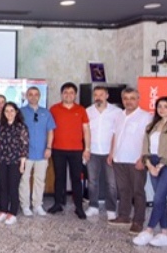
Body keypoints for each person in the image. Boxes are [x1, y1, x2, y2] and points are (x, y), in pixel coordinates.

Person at [132, 96, 167, 247]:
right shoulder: (151, 126)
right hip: (152, 162)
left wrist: (160, 166)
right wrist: (149, 165)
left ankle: (148, 230)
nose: (162, 109)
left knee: (158, 198)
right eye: (159, 106)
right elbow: (145, 147)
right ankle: (165, 233)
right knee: (160, 199)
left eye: (166, 106)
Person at [108, 87, 152, 234]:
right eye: (126, 98)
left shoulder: (146, 117)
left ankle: (138, 221)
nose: (129, 101)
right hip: (119, 158)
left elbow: (148, 140)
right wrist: (111, 153)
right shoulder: (119, 116)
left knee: (138, 191)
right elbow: (115, 135)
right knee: (123, 190)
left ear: (138, 99)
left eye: (132, 98)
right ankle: (124, 216)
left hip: (136, 160)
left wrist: (143, 158)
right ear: (122, 100)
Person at [48, 82, 90, 219]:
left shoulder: (81, 109)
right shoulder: (54, 109)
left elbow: (86, 130)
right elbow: (49, 129)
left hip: (76, 150)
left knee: (76, 179)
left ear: (75, 95)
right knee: (59, 178)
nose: (68, 95)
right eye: (65, 92)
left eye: (71, 92)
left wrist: (87, 148)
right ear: (61, 94)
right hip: (58, 149)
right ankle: (57, 204)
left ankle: (79, 207)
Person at [85, 86, 120, 219]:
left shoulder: (116, 112)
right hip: (92, 151)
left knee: (111, 183)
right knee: (92, 181)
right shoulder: (88, 111)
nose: (98, 97)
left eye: (101, 94)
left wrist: (112, 152)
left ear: (107, 96)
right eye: (96, 95)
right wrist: (86, 149)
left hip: (109, 152)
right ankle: (93, 206)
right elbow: (85, 132)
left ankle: (111, 209)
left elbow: (117, 133)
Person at [19, 86, 55, 216]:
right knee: (24, 179)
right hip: (25, 153)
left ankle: (37, 205)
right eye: (30, 94)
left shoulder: (46, 112)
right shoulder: (20, 112)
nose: (33, 97)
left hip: (42, 152)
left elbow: (50, 131)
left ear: (39, 96)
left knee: (40, 179)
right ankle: (25, 205)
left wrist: (49, 147)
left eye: (36, 94)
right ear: (26, 96)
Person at [0, 102, 28, 226]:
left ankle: (13, 212)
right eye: (6, 111)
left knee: (13, 187)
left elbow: (24, 146)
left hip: (16, 162)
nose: (9, 113)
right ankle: (3, 210)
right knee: (3, 186)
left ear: (16, 112)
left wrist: (22, 164)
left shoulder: (21, 127)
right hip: (2, 161)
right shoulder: (1, 127)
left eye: (12, 110)